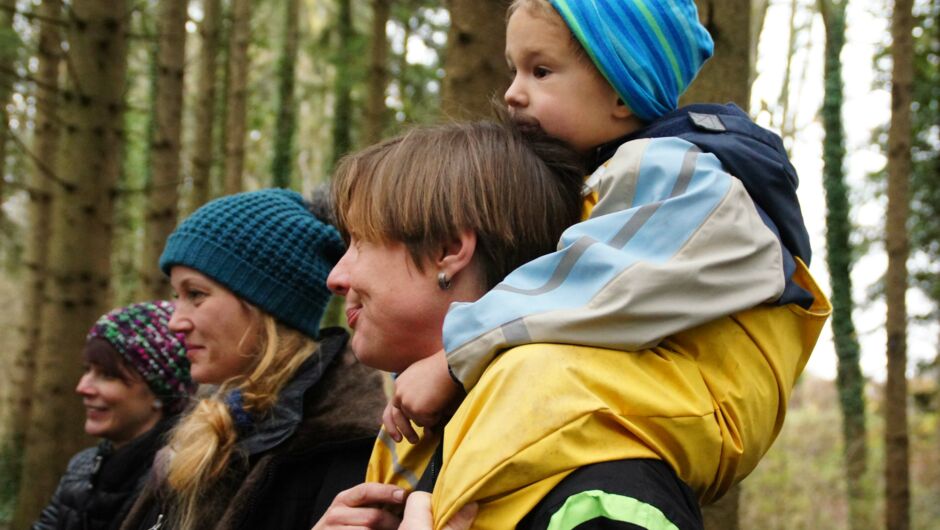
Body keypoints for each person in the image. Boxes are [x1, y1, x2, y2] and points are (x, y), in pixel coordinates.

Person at [382, 0, 831, 515]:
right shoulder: (618, 178)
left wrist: (454, 356)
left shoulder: (684, 173)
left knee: (521, 375)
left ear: (622, 91)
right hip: (666, 385)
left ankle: (424, 508)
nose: (512, 92)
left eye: (541, 70)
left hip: (703, 395)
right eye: (513, 70)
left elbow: (603, 284)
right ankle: (409, 503)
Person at [323, 119, 820, 529]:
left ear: (449, 252)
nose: (335, 277)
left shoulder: (604, 484)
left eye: (360, 243)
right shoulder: (409, 464)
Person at [120, 189, 387, 530]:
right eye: (177, 295)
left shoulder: (341, 444)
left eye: (196, 294)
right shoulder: (209, 425)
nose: (175, 321)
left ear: (266, 304)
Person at [33, 301, 194, 530]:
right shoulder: (82, 468)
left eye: (108, 375)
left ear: (159, 392)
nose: (83, 387)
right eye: (87, 370)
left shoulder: (179, 482)